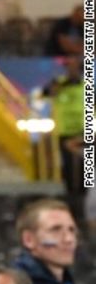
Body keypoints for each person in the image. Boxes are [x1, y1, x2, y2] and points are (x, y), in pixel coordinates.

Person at [46, 58, 84, 215]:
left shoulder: (85, 86)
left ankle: (84, 195)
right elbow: (47, 93)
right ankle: (70, 196)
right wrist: (58, 86)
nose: (71, 70)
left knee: (85, 164)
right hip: (65, 131)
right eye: (69, 67)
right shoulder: (59, 84)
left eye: (74, 67)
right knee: (67, 164)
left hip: (81, 131)